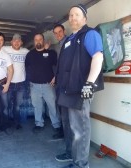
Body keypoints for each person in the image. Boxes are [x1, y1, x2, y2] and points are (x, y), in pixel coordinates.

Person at [55, 4, 104, 168]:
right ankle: (71, 154)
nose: (73, 18)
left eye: (77, 14)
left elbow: (98, 57)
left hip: (80, 89)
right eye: (70, 15)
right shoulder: (69, 39)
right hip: (66, 90)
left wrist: (89, 84)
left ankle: (81, 164)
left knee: (80, 128)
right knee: (68, 126)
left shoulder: (90, 34)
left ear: (84, 18)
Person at [25, 33, 63, 139]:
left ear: (43, 40)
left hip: (48, 85)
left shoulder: (51, 53)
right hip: (34, 86)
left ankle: (57, 125)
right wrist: (29, 82)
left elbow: (57, 67)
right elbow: (27, 68)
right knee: (37, 106)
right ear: (34, 41)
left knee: (52, 106)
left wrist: (55, 77)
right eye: (36, 39)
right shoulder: (30, 54)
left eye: (40, 39)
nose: (38, 41)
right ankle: (39, 124)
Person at [2, 34, 29, 129]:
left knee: (17, 106)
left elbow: (36, 54)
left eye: (19, 41)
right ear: (11, 42)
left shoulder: (25, 51)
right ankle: (7, 122)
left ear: (21, 42)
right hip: (8, 83)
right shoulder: (4, 49)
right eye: (15, 40)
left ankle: (16, 123)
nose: (17, 42)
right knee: (7, 105)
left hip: (21, 83)